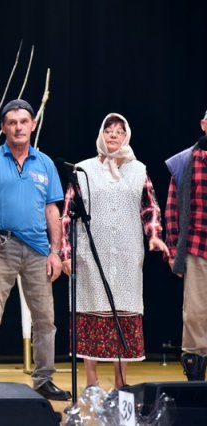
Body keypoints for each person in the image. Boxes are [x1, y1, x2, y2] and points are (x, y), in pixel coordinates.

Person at [0, 99, 71, 401]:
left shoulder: (45, 163)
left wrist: (55, 252)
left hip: (38, 249)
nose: (18, 127)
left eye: (23, 121)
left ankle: (44, 379)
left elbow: (52, 210)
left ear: (33, 125)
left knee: (45, 318)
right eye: (12, 122)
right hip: (0, 246)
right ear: (3, 127)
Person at [61, 113, 169, 389]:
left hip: (126, 256)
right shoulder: (83, 170)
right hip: (90, 257)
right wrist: (66, 252)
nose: (113, 134)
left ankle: (121, 382)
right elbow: (68, 214)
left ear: (126, 136)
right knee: (90, 313)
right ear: (101, 134)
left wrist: (154, 236)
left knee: (123, 314)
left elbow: (150, 207)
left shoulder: (138, 170)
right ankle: (92, 382)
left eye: (119, 131)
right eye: (108, 130)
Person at [164, 110, 207, 381]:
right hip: (197, 246)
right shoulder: (185, 161)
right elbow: (172, 208)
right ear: (203, 124)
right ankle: (196, 376)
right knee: (195, 312)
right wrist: (172, 249)